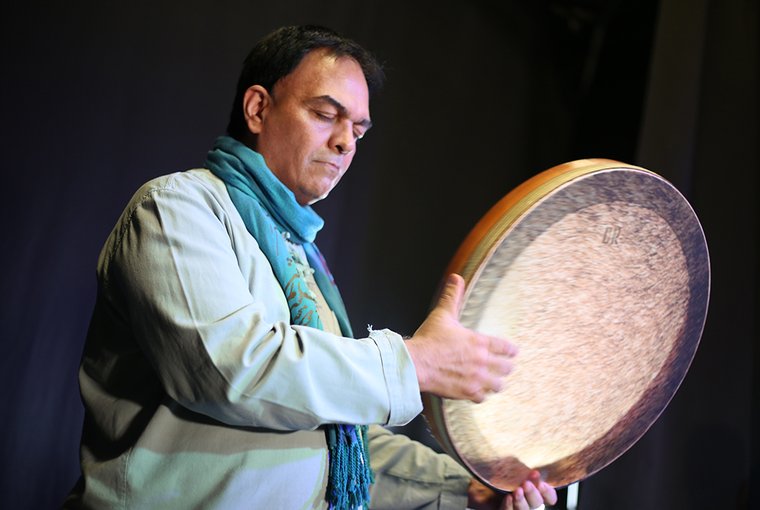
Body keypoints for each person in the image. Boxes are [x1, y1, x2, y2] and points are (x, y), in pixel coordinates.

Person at [65, 25, 557, 510]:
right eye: (326, 115)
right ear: (258, 109)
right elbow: (231, 370)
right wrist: (414, 363)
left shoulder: (300, 257)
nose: (346, 143)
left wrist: (465, 491)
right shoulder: (178, 208)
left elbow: (336, 441)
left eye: (358, 130)